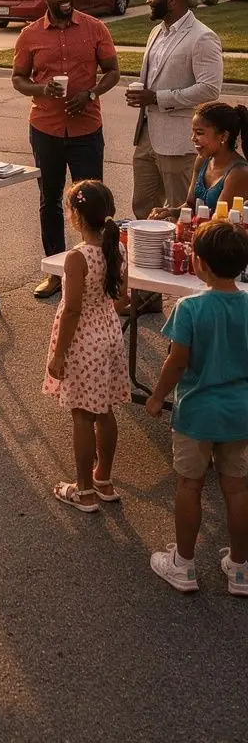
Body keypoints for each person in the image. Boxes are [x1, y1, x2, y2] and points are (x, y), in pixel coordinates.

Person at [147, 220, 248, 595]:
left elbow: (176, 362)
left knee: (189, 485)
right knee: (237, 490)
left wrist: (157, 396)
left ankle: (184, 565)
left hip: (196, 412)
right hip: (240, 411)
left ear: (200, 263)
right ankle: (240, 568)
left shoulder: (189, 308)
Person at [12, 0, 120, 299]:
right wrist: (41, 89)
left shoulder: (94, 28)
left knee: (92, 202)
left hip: (87, 128)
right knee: (50, 201)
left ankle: (98, 271)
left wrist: (90, 94)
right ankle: (56, 272)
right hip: (46, 128)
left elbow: (113, 71)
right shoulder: (30, 35)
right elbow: (18, 78)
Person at [43, 180, 130, 511]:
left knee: (82, 415)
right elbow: (122, 297)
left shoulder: (78, 257)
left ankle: (83, 490)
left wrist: (59, 354)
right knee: (104, 409)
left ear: (76, 215)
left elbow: (72, 309)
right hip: (109, 333)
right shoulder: (117, 247)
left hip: (84, 340)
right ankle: (103, 478)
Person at [126, 0, 223, 219]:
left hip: (178, 142)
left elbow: (210, 89)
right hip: (146, 136)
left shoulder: (202, 37)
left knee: (180, 213)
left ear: (172, 0)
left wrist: (158, 97)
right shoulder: (156, 32)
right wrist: (141, 95)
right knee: (143, 210)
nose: (148, 0)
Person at [149, 102, 248, 223]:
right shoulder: (203, 160)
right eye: (193, 132)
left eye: (199, 133)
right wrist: (169, 212)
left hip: (219, 238)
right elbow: (190, 206)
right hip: (199, 233)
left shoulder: (238, 173)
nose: (193, 138)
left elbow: (219, 223)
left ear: (223, 136)